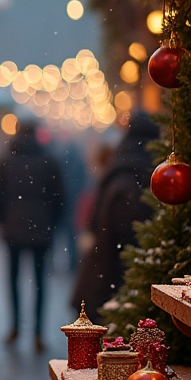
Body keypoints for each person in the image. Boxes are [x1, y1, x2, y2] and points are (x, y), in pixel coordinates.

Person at [71, 113, 159, 322]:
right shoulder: (145, 175)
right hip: (117, 278)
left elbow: (98, 225)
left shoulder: (119, 169)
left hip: (103, 274)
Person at [0, 120, 65, 351]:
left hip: (13, 229)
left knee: (13, 279)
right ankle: (38, 332)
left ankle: (15, 327)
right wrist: (52, 223)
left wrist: (1, 220)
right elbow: (60, 198)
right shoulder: (49, 161)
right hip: (41, 230)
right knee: (41, 282)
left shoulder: (5, 161)